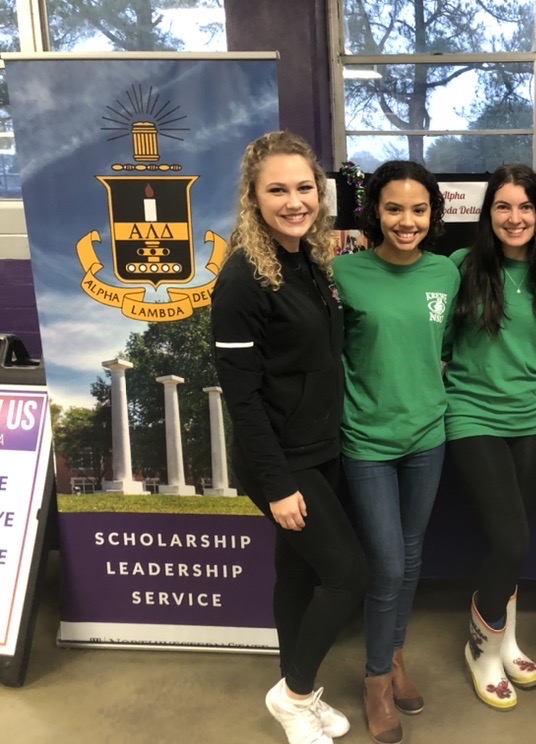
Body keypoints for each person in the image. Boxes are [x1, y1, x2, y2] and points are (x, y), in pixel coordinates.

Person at [211, 131, 369, 744]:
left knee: (298, 575)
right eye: (278, 189)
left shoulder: (307, 259)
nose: (294, 200)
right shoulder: (244, 280)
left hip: (321, 449)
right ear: (254, 196)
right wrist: (277, 486)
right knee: (347, 575)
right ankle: (293, 694)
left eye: (304, 187)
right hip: (280, 461)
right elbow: (242, 398)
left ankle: (298, 693)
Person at [331, 161, 460, 744]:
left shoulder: (446, 273)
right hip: (367, 442)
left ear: (433, 214)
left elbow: (447, 345)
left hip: (427, 438)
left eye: (418, 209)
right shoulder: (344, 273)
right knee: (385, 564)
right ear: (374, 213)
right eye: (393, 208)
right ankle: (376, 678)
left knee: (410, 558)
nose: (406, 221)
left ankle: (396, 652)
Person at [445, 165, 536, 710]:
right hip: (472, 416)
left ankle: (507, 639)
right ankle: (481, 651)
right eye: (502, 207)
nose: (514, 218)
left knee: (507, 546)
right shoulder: (460, 267)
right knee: (513, 540)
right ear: (486, 213)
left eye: (525, 207)